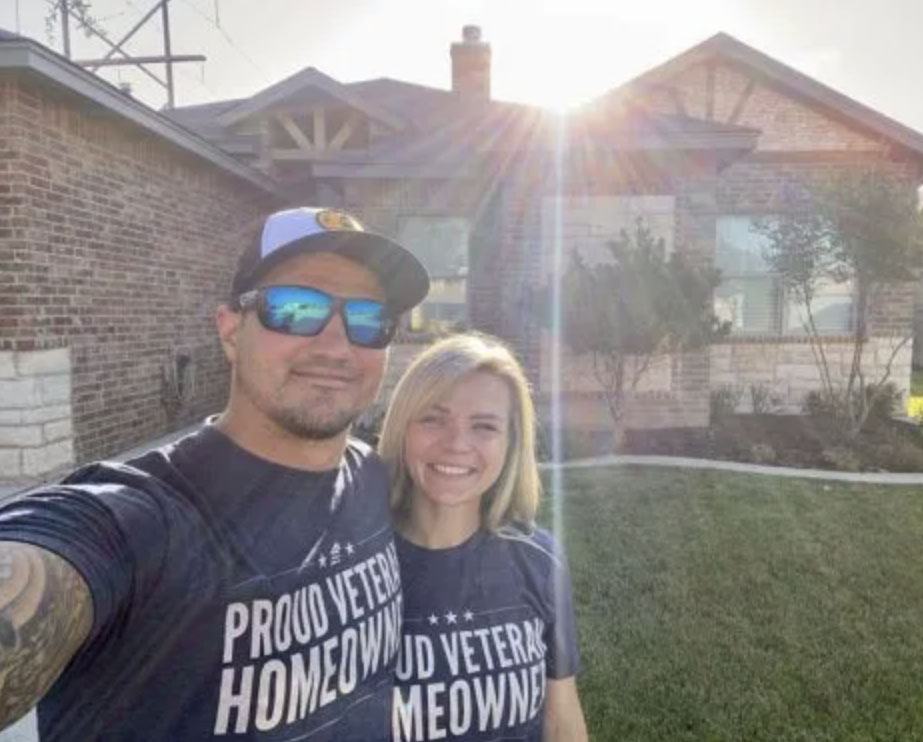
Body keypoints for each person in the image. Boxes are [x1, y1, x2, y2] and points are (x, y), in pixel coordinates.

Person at [0, 207, 429, 741]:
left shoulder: (371, 476)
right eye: (296, 309)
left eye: (369, 320)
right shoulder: (140, 517)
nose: (337, 346)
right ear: (230, 330)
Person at [378, 334, 588, 742]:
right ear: (403, 426)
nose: (457, 444)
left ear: (510, 443)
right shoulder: (359, 564)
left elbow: (561, 720)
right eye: (432, 418)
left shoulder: (539, 561)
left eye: (484, 426)